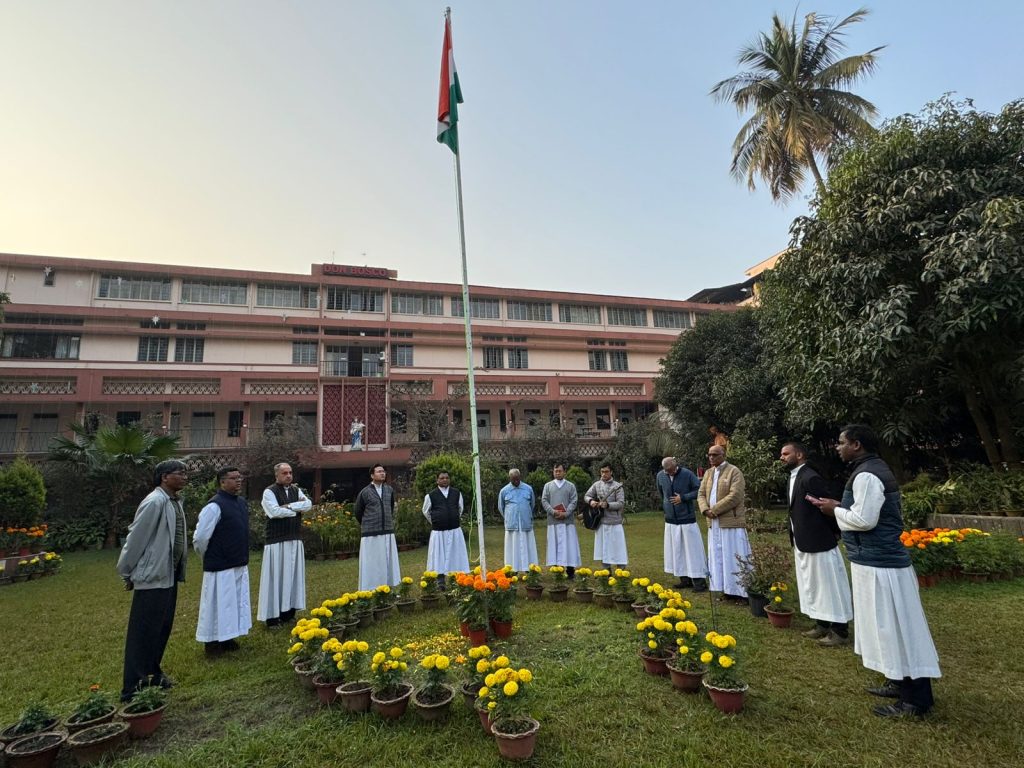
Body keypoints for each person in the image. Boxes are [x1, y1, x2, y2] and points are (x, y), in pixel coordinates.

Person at [809, 425, 941, 718]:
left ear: (856, 445)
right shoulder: (868, 469)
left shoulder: (867, 474)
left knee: (896, 627)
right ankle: (898, 680)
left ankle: (915, 700)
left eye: (841, 443)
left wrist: (835, 510)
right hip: (874, 560)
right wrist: (839, 506)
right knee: (886, 627)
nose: (837, 447)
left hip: (883, 565)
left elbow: (865, 520)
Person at [116, 459, 188, 701]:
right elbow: (136, 538)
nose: (184, 477)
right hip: (152, 576)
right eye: (179, 473)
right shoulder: (154, 502)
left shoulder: (174, 501)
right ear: (164, 477)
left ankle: (153, 672)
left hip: (168, 574)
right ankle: (132, 687)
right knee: (143, 632)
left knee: (160, 628)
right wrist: (126, 570)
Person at [780, 442, 853, 647]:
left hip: (819, 540)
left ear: (800, 454)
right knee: (811, 585)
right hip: (802, 539)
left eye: (786, 453)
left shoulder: (811, 477)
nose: (782, 457)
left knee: (829, 585)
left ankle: (839, 630)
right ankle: (821, 623)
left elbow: (827, 507)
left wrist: (831, 533)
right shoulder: (794, 477)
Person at [193, 466, 252, 656]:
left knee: (234, 603)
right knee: (217, 604)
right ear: (222, 482)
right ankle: (212, 642)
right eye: (233, 478)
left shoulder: (241, 503)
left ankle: (228, 636)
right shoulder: (214, 506)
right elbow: (201, 538)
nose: (238, 481)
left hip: (238, 561)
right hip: (220, 565)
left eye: (239, 477)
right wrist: (210, 556)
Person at [257, 462, 310, 628]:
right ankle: (272, 617)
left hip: (294, 539)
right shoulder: (269, 492)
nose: (288, 475)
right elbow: (274, 512)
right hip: (277, 541)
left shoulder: (296, 490)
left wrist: (288, 506)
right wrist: (296, 510)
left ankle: (288, 613)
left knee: (292, 577)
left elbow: (308, 505)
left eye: (290, 472)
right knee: (276, 578)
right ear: (277, 475)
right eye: (284, 473)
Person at [697, 445, 751, 603]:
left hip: (730, 523)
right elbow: (700, 494)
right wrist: (705, 509)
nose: (711, 458)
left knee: (734, 556)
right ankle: (725, 589)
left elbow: (736, 495)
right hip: (714, 524)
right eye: (709, 455)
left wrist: (715, 510)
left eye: (715, 454)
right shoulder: (708, 473)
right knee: (719, 557)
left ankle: (741, 592)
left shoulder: (734, 471)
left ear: (723, 455)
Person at [656, 456, 707, 592]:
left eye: (671, 470)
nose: (669, 473)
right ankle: (684, 580)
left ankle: (699, 583)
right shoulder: (660, 476)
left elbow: (699, 491)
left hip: (687, 519)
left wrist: (683, 498)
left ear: (675, 465)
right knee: (677, 551)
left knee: (692, 552)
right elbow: (662, 494)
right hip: (671, 521)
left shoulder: (687, 474)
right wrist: (667, 508)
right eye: (667, 471)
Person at [353, 463, 401, 590]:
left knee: (387, 561)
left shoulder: (389, 490)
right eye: (379, 471)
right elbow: (358, 512)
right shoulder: (365, 492)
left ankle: (388, 588)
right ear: (372, 475)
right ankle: (371, 588)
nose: (382, 473)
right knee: (372, 563)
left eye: (383, 471)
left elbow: (390, 508)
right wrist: (368, 524)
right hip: (371, 534)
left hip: (387, 532)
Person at [422, 470, 470, 581]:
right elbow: (426, 511)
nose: (445, 480)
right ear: (437, 480)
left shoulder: (457, 493)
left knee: (455, 554)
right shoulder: (431, 495)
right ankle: (440, 579)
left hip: (454, 530)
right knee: (439, 556)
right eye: (442, 478)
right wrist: (436, 520)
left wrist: (452, 518)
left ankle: (457, 578)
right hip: (438, 532)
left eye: (447, 478)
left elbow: (460, 508)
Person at [584, 463, 627, 569]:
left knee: (618, 548)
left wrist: (608, 505)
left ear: (611, 472)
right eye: (602, 471)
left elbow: (621, 503)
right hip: (601, 522)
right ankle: (606, 571)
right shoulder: (596, 485)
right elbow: (587, 495)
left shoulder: (617, 486)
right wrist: (591, 501)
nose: (604, 474)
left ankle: (621, 572)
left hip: (615, 522)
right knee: (604, 548)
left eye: (606, 471)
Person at [541, 463, 581, 579]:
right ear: (553, 472)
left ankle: (570, 571)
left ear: (564, 472)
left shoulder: (570, 486)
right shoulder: (548, 486)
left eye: (559, 471)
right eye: (555, 471)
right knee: (554, 546)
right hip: (553, 521)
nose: (557, 473)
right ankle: (556, 571)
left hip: (567, 522)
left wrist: (566, 513)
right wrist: (553, 512)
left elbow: (574, 501)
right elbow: (544, 500)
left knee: (569, 546)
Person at [498, 468, 537, 572]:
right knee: (512, 547)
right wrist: (509, 516)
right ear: (509, 478)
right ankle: (512, 570)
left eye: (517, 479)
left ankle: (529, 569)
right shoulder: (504, 491)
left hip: (525, 523)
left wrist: (526, 513)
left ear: (520, 477)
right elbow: (501, 507)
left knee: (527, 546)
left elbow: (532, 505)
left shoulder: (528, 489)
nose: (516, 481)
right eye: (513, 479)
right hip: (512, 525)